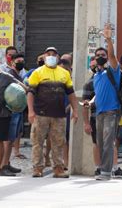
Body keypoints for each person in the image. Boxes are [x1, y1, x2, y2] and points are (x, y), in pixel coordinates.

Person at [27, 46, 79, 178]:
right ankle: (37, 168)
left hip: (59, 115)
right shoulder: (37, 73)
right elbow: (30, 93)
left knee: (58, 142)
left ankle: (58, 169)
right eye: (48, 54)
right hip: (40, 114)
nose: (51, 56)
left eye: (54, 54)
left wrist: (75, 110)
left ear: (58, 57)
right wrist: (30, 111)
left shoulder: (64, 73)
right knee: (37, 142)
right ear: (44, 56)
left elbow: (71, 93)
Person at [84, 24, 122, 180]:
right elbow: (98, 94)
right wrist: (91, 102)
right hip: (98, 113)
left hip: (112, 112)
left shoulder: (112, 70)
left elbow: (112, 56)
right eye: (97, 54)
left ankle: (106, 172)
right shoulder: (96, 76)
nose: (100, 56)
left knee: (108, 141)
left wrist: (108, 40)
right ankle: (103, 169)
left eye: (103, 54)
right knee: (100, 143)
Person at [3, 53, 26, 173]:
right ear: (12, 62)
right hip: (11, 111)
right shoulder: (10, 75)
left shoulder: (19, 74)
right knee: (8, 138)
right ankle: (4, 164)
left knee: (13, 137)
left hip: (18, 110)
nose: (21, 63)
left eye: (22, 60)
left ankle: (7, 163)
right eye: (18, 61)